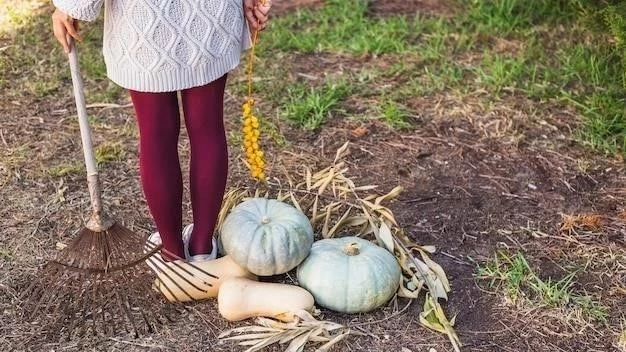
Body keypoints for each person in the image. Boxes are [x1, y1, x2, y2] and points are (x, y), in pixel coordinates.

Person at [51, 0, 272, 297]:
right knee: (208, 130)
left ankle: (172, 252)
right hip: (210, 17)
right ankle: (203, 247)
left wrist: (70, 7)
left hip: (145, 22)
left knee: (156, 136)